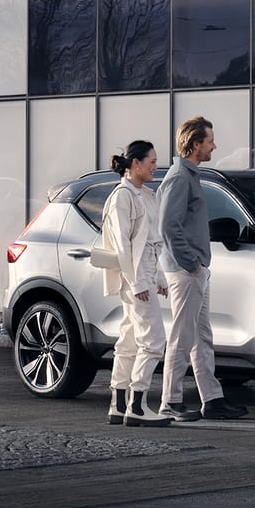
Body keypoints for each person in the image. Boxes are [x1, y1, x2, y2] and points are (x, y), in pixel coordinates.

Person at [157, 116, 248, 420]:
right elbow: (167, 226)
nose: (214, 146)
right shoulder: (179, 178)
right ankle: (170, 402)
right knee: (182, 337)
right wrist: (191, 264)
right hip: (186, 272)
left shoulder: (189, 176)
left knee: (201, 338)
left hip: (195, 270)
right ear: (195, 144)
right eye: (210, 141)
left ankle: (212, 399)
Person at [101, 140, 172, 427]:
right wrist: (138, 282)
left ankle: (119, 406)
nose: (156, 166)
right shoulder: (123, 196)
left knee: (130, 340)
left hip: (144, 275)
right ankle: (138, 406)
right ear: (135, 163)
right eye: (151, 161)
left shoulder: (146, 195)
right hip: (136, 278)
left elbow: (151, 243)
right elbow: (123, 245)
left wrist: (159, 277)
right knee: (154, 341)